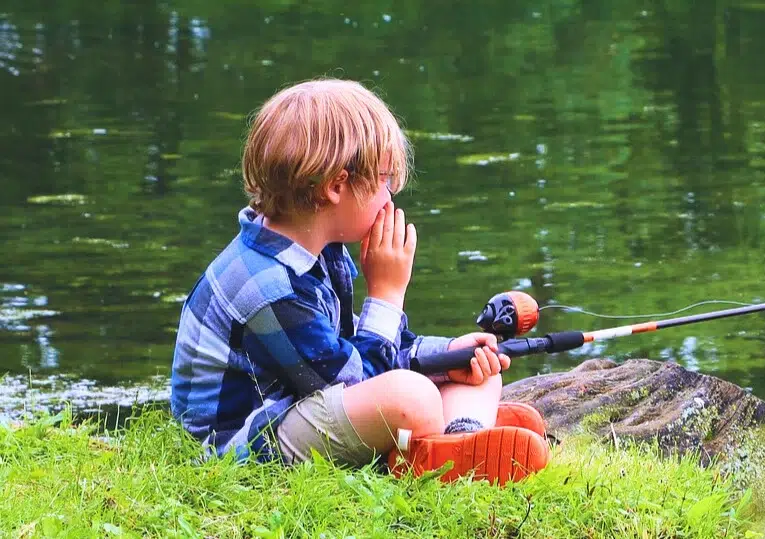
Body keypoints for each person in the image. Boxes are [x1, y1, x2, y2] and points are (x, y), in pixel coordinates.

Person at [168, 78, 549, 484]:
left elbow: (360, 352)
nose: (390, 199)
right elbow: (354, 379)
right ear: (336, 186)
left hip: (309, 396)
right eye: (384, 180)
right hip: (245, 442)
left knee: (478, 365)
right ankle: (454, 436)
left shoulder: (320, 251)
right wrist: (386, 294)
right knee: (410, 397)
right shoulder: (266, 285)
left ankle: (458, 439)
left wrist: (448, 355)